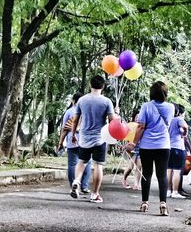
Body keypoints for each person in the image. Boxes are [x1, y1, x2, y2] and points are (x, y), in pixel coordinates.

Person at [126, 81, 174, 216]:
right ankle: (163, 204)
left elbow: (141, 126)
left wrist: (134, 143)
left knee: (146, 174)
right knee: (162, 174)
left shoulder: (146, 106)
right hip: (164, 145)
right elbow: (168, 124)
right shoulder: (171, 107)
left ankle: (145, 203)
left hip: (147, 145)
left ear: (152, 93)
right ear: (165, 93)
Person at [70, 75, 115, 203]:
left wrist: (73, 135)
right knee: (98, 165)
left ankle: (76, 181)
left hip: (84, 137)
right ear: (103, 86)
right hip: (100, 138)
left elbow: (75, 120)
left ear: (90, 85)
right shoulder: (106, 101)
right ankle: (95, 194)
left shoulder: (82, 100)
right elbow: (112, 121)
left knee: (82, 162)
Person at [57, 92, 92, 194]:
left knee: (72, 164)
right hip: (85, 141)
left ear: (73, 101)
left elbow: (64, 129)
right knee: (87, 163)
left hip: (71, 141)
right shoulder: (87, 112)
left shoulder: (69, 112)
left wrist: (60, 143)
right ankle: (84, 186)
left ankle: (73, 185)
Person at [167, 104, 189, 199]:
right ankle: (175, 192)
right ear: (179, 112)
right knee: (176, 171)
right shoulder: (178, 119)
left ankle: (168, 191)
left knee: (168, 170)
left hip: (168, 147)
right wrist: (185, 133)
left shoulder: (168, 119)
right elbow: (185, 126)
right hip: (177, 148)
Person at [122, 109, 142, 190]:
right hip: (132, 148)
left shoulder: (142, 126)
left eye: (139, 117)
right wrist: (127, 146)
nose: (137, 118)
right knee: (130, 166)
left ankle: (137, 184)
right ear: (134, 118)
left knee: (139, 166)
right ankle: (124, 179)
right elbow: (127, 138)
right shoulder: (130, 126)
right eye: (136, 117)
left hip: (141, 148)